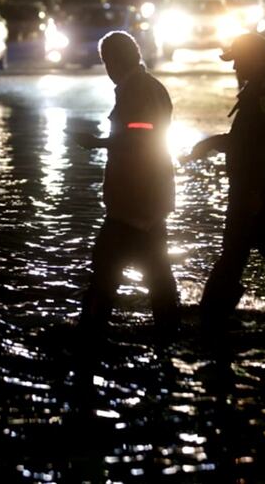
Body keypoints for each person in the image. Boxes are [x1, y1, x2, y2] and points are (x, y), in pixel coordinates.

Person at [188, 33, 265, 329]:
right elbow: (249, 141)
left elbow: (257, 145)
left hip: (256, 188)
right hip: (256, 187)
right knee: (262, 250)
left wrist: (257, 192)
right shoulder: (260, 87)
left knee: (243, 252)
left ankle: (212, 317)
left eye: (237, 61)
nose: (234, 69)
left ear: (252, 58)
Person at [72, 31, 179, 335]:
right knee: (157, 271)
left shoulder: (136, 91)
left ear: (115, 61)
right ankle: (168, 332)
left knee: (106, 269)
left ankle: (90, 335)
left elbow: (140, 134)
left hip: (134, 199)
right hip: (152, 196)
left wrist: (99, 143)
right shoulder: (150, 87)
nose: (106, 69)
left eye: (106, 61)